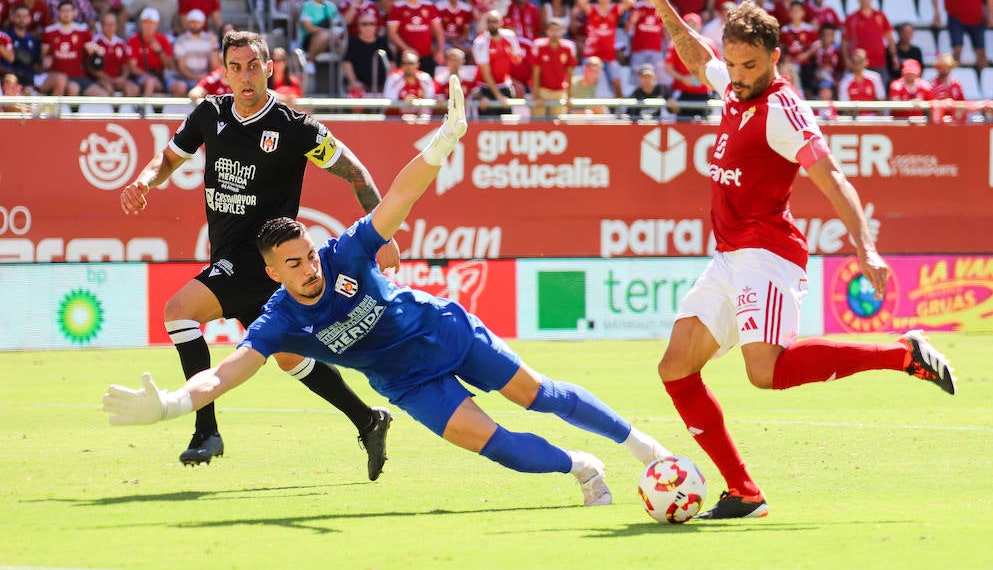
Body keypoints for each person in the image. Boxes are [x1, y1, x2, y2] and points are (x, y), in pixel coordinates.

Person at [104, 78, 673, 506]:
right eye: (294, 265)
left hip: (445, 333)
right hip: (406, 383)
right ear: (272, 274)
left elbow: (399, 197)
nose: (309, 269)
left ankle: (644, 447)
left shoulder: (344, 251)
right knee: (492, 442)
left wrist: (441, 144)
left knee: (537, 395)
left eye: (307, 254)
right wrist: (172, 405)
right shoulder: (279, 322)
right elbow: (224, 373)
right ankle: (580, 467)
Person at [640, 0, 955, 520]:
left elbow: (834, 179)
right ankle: (744, 492)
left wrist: (867, 250)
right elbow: (700, 59)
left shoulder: (783, 109)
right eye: (733, 63)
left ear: (774, 59)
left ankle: (901, 354)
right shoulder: (735, 89)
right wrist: (663, 8)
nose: (736, 74)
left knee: (765, 372)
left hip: (767, 252)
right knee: (675, 368)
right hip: (730, 254)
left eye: (750, 65)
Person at [116, 30, 399, 470]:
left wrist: (380, 234)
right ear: (224, 71)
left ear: (270, 68)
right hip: (238, 260)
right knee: (291, 358)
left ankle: (206, 432)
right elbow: (169, 158)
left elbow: (356, 172)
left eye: (253, 66)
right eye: (235, 67)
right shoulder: (209, 114)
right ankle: (368, 419)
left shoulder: (295, 126)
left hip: (260, 258)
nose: (245, 76)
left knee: (179, 312)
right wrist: (144, 181)